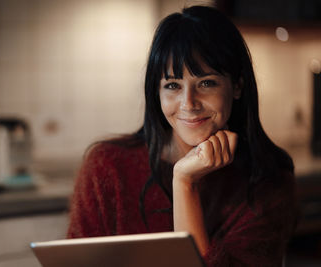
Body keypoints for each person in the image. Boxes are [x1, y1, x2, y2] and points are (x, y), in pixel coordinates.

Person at [67, 5, 297, 267]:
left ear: (237, 86)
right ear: (157, 92)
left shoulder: (269, 180)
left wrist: (185, 183)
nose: (188, 103)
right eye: (172, 85)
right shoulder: (107, 165)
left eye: (206, 83)